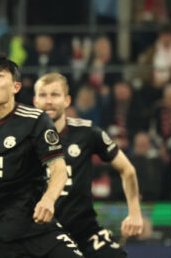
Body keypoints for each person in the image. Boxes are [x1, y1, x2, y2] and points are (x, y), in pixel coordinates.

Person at [0, 55, 81, 258]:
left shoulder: (35, 121)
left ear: (16, 87)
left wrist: (48, 199)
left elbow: (59, 169)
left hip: (40, 229)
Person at [34, 73, 144, 256]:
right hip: (41, 233)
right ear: (35, 100)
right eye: (43, 95)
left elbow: (127, 170)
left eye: (55, 94)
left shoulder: (87, 132)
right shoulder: (24, 138)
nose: (49, 101)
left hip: (84, 231)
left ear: (67, 100)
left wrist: (135, 213)